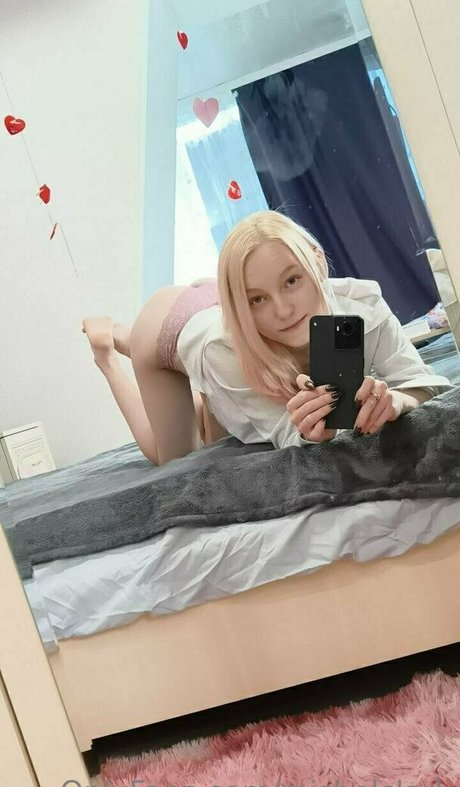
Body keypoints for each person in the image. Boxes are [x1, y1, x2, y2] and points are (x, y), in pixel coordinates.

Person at [83, 211, 451, 465]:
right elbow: (285, 433)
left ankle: (211, 375)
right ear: (243, 303)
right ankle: (111, 349)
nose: (284, 310)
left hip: (226, 298)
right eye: (259, 299)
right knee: (174, 458)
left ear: (317, 262)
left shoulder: (362, 305)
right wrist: (310, 433)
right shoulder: (222, 351)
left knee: (221, 412)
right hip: (163, 330)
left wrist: (398, 401)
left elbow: (421, 381)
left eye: (293, 280)